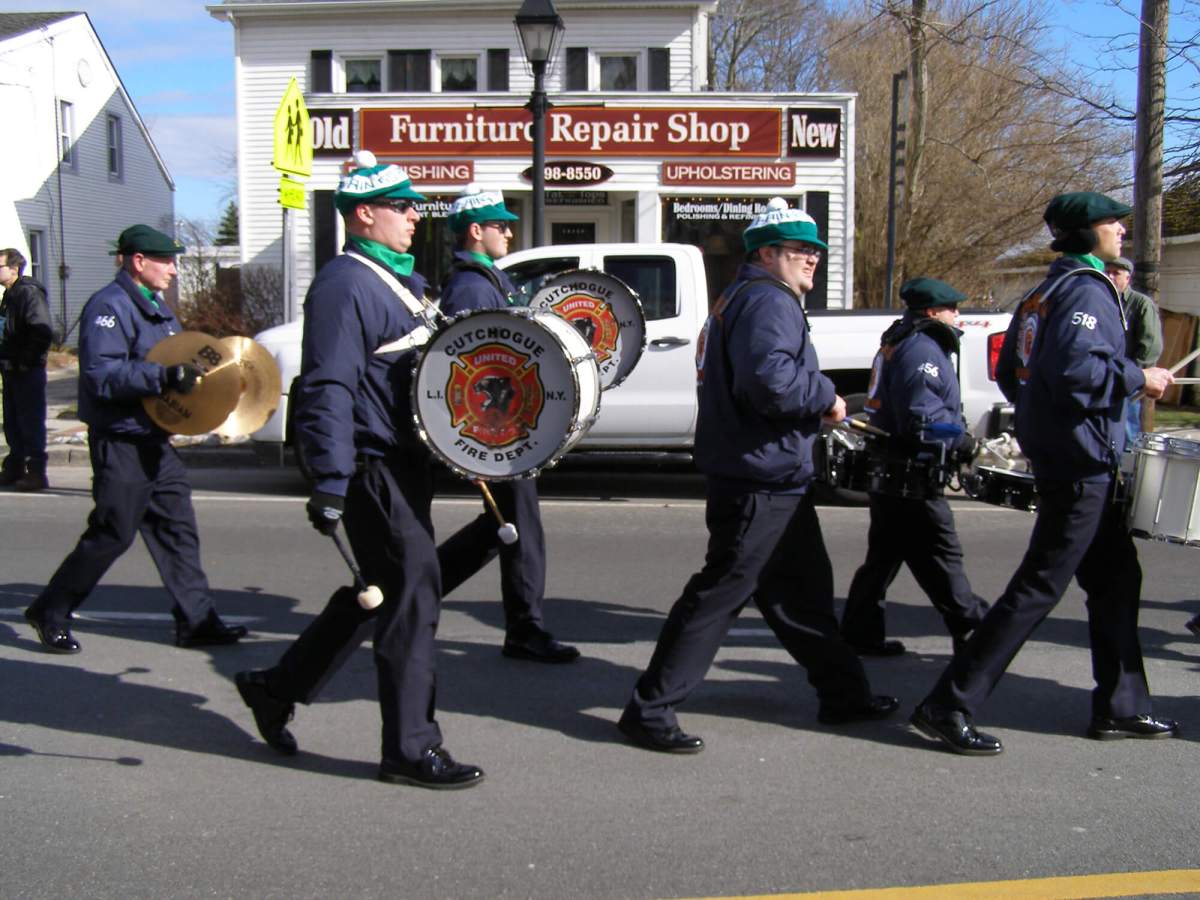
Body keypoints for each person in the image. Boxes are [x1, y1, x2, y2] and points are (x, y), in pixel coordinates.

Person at [234, 153, 484, 790]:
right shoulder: (346, 283)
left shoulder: (400, 279)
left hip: (405, 461)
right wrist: (328, 479)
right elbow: (327, 387)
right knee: (413, 591)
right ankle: (409, 747)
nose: (414, 217)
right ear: (363, 213)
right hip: (372, 465)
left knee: (380, 588)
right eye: (402, 207)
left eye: (414, 206)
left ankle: (276, 686)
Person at [616, 197, 898, 754]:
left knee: (801, 596)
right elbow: (770, 384)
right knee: (720, 593)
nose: (811, 259)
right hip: (758, 478)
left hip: (770, 474)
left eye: (815, 250)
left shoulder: (746, 296)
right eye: (798, 250)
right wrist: (826, 397)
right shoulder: (769, 302)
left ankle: (843, 694)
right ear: (766, 253)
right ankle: (649, 709)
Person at [911, 192, 1179, 756]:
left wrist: (1044, 423)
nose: (1121, 232)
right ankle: (949, 702)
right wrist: (1139, 378)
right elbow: (1079, 371)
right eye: (1112, 223)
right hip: (1080, 462)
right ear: (1085, 233)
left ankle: (1122, 706)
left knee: (1116, 581)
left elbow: (1015, 372)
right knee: (1037, 589)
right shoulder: (1086, 288)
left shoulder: (1042, 292)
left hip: (1074, 456)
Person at [23, 225, 247, 654]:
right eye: (166, 260)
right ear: (138, 261)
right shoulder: (109, 307)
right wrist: (162, 377)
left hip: (153, 441)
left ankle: (196, 620)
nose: (174, 269)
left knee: (178, 527)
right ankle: (51, 608)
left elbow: (179, 362)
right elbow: (101, 376)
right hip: (121, 441)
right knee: (113, 533)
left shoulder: (156, 306)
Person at [435, 185, 579, 664]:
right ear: (476, 231)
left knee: (503, 526)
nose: (508, 230)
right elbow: (470, 365)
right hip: (497, 429)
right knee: (517, 524)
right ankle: (524, 628)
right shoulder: (472, 287)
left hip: (504, 425)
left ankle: (415, 592)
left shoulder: (486, 280)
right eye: (499, 224)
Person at [841, 277, 989, 657]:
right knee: (942, 556)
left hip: (892, 470)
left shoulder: (900, 340)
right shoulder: (921, 349)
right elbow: (921, 416)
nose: (958, 316)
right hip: (911, 473)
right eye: (952, 309)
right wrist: (961, 441)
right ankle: (973, 633)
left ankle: (859, 633)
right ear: (931, 312)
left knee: (884, 558)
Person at [0, 247, 53, 491]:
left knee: (30, 420)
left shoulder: (28, 292)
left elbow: (41, 330)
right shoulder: (10, 294)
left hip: (26, 369)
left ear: (14, 268)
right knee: (13, 421)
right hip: (10, 366)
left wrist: (26, 360)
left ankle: (36, 472)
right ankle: (14, 467)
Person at [1103, 256, 1163, 444]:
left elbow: (1151, 345)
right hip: (1104, 378)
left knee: (1126, 432)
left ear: (1127, 279)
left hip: (1128, 381)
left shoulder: (1140, 304)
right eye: (1108, 272)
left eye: (1116, 273)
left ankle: (1128, 472)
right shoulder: (1102, 301)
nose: (1111, 276)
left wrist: (1135, 375)